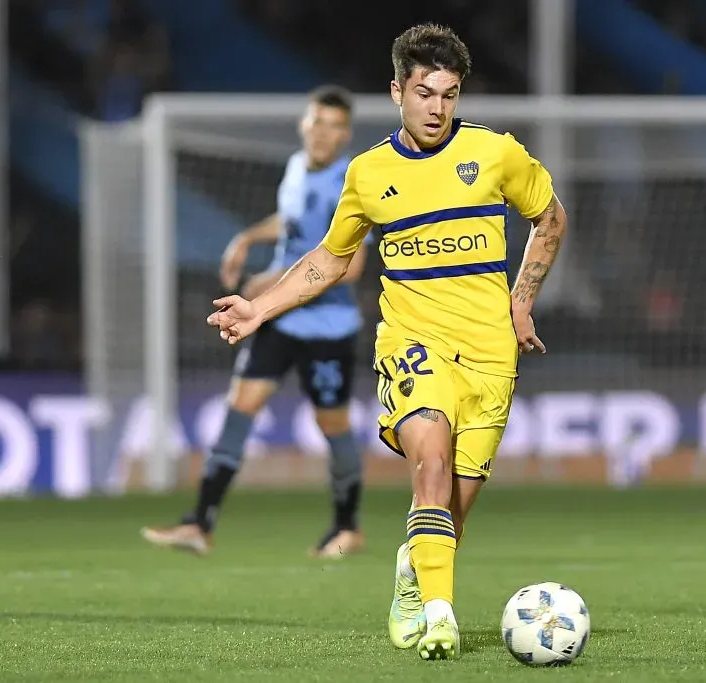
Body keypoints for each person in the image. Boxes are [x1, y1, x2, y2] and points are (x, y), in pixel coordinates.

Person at [205, 23, 567, 661]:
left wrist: (521, 300)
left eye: (450, 94)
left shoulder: (497, 155)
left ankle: (413, 574)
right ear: (397, 90)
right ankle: (440, 616)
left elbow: (551, 218)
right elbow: (329, 258)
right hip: (413, 343)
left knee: (451, 515)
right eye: (425, 93)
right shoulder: (369, 174)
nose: (437, 107)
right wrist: (259, 310)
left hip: (489, 355)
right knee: (428, 460)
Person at [141, 85, 371, 559]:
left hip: (327, 327)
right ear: (304, 124)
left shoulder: (351, 181)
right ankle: (200, 523)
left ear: (345, 134)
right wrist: (246, 238)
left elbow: (353, 267)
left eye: (333, 125)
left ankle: (348, 526)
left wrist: (267, 281)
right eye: (316, 122)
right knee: (239, 408)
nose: (322, 132)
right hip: (280, 321)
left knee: (334, 425)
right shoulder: (294, 168)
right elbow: (289, 220)